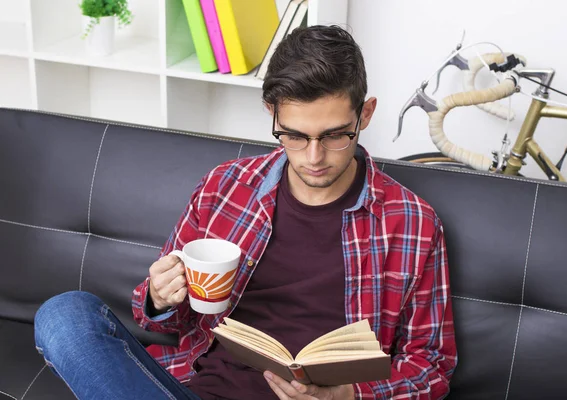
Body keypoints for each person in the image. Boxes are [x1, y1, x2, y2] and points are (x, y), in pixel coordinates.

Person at [34, 25, 457, 399]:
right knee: (65, 313)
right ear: (272, 114)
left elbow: (432, 367)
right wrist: (160, 297)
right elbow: (162, 318)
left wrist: (348, 395)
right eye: (293, 135)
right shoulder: (225, 187)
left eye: (334, 136)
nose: (313, 157)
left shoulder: (413, 222)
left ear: (365, 114)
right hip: (192, 389)